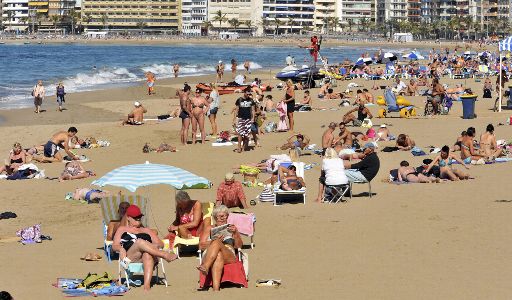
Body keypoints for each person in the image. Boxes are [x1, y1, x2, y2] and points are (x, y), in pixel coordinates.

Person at [112, 205, 178, 291]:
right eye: (136, 217)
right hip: (131, 257)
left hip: (148, 256)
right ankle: (165, 255)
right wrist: (121, 249)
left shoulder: (146, 230)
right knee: (139, 241)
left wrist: (151, 246)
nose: (139, 219)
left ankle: (146, 286)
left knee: (147, 254)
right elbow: (114, 245)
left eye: (140, 216)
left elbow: (160, 244)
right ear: (128, 217)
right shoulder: (122, 229)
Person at [197, 205, 243, 291]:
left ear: (227, 216)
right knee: (218, 254)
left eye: (224, 216)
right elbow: (201, 245)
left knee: (217, 242)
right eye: (220, 216)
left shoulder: (232, 228)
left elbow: (239, 246)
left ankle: (206, 267)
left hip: (228, 254)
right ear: (215, 218)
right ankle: (216, 289)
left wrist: (235, 233)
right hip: (209, 253)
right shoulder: (209, 228)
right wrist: (212, 242)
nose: (222, 218)